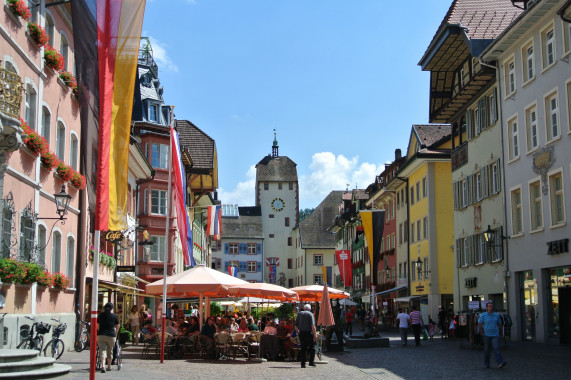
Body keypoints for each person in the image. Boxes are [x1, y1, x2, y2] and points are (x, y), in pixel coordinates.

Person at [478, 302, 506, 369]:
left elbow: (500, 325)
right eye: (489, 306)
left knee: (496, 348)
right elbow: (479, 323)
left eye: (491, 306)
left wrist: (501, 334)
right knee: (487, 350)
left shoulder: (497, 315)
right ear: (487, 308)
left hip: (495, 334)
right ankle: (487, 363)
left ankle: (500, 362)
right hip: (486, 334)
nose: (490, 307)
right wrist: (481, 331)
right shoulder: (483, 315)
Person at [97, 302, 119, 373]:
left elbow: (97, 325)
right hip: (111, 336)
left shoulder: (100, 315)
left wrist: (99, 330)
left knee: (102, 350)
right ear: (111, 309)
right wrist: (115, 333)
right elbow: (118, 326)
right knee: (110, 351)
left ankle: (103, 366)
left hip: (101, 335)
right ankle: (109, 366)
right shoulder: (114, 316)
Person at [295, 304, 316, 368]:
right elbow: (313, 325)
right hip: (308, 333)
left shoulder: (299, 314)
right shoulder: (310, 314)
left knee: (303, 349)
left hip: (301, 333)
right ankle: (311, 362)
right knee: (312, 348)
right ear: (309, 309)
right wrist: (315, 334)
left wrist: (297, 331)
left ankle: (303, 364)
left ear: (304, 308)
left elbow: (295, 325)